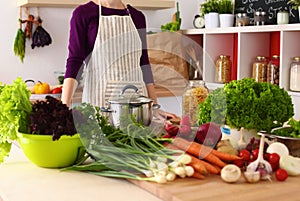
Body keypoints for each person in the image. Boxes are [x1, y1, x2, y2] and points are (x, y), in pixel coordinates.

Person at [61, 0, 178, 120]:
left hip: (137, 106)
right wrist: (63, 108)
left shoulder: (137, 17)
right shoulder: (84, 13)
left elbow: (144, 63)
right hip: (99, 103)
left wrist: (154, 107)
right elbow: (75, 62)